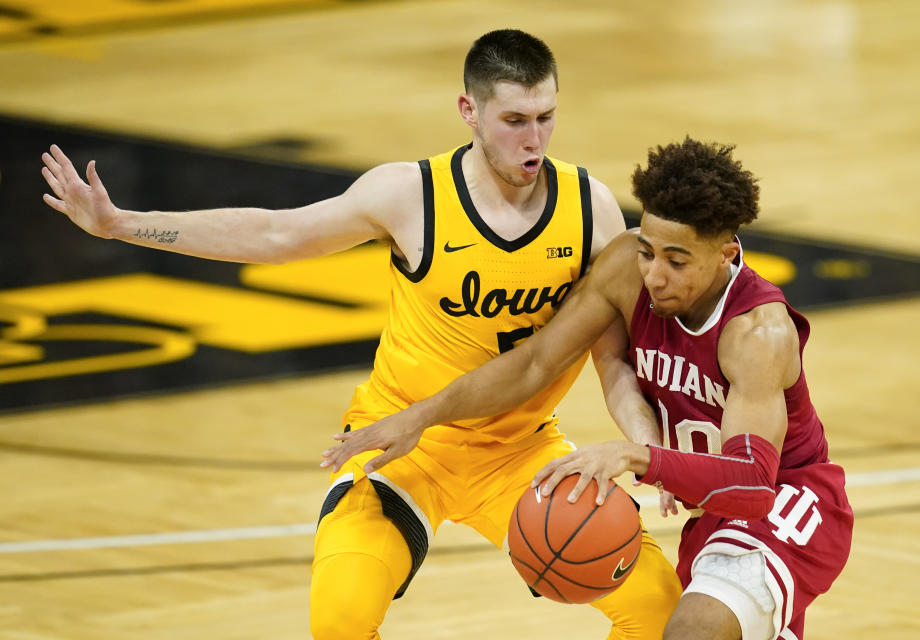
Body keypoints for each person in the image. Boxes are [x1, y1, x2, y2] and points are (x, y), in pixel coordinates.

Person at [41, 29, 681, 639]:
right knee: (339, 620)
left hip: (521, 452)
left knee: (657, 603)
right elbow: (275, 236)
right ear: (470, 110)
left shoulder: (587, 205)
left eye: (546, 117)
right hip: (403, 441)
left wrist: (652, 451)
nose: (533, 139)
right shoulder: (413, 194)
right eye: (515, 121)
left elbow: (612, 357)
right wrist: (123, 224)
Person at [324, 137, 854, 640]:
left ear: (725, 254)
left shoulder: (759, 333)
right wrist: (421, 415)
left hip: (787, 501)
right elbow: (533, 362)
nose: (655, 276)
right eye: (649, 251)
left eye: (677, 261)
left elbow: (753, 485)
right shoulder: (626, 267)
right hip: (710, 509)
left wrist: (641, 457)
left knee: (691, 628)